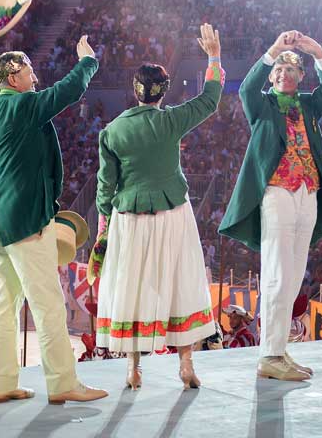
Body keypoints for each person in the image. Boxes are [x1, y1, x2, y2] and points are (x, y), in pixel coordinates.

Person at [0, 36, 107, 405]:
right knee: (48, 302)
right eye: (30, 70)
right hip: (26, 220)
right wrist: (87, 63)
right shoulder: (23, 107)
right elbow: (66, 92)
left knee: (4, 306)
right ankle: (64, 382)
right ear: (14, 76)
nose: (36, 77)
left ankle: (2, 383)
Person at [93, 23, 223, 391]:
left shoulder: (112, 131)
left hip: (128, 217)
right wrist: (213, 57)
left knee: (132, 286)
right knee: (182, 280)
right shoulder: (170, 121)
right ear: (163, 92)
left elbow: (106, 185)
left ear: (134, 91)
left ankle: (133, 370)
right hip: (173, 213)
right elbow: (210, 100)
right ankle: (185, 365)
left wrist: (104, 227)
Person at [218, 27, 322, 381]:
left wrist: (319, 53)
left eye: (292, 70)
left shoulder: (309, 104)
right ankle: (269, 354)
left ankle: (279, 348)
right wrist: (273, 49)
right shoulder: (263, 105)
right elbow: (245, 87)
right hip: (277, 191)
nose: (285, 74)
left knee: (292, 276)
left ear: (301, 77)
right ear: (272, 77)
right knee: (275, 274)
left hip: (309, 191)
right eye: (279, 70)